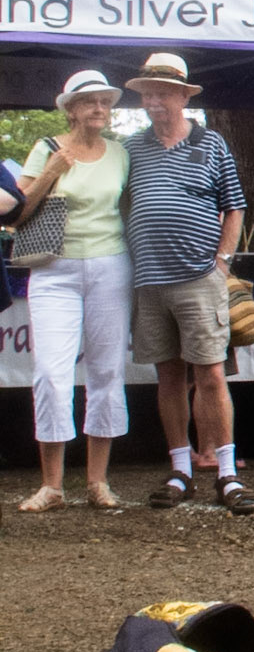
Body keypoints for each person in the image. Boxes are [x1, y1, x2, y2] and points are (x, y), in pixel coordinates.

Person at [122, 52, 254, 515]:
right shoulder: (133, 148)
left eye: (163, 93)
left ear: (183, 95)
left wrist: (222, 261)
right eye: (147, 94)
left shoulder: (213, 143)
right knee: (167, 377)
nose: (154, 101)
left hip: (200, 277)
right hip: (149, 280)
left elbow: (235, 206)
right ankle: (180, 468)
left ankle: (226, 471)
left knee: (212, 372)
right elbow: (122, 205)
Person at [13, 70, 132, 512]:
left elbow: (127, 208)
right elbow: (16, 215)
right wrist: (51, 171)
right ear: (70, 108)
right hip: (54, 269)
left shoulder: (121, 153)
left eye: (104, 102)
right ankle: (52, 486)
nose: (98, 109)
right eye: (88, 102)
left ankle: (98, 482)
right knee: (51, 372)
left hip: (110, 266)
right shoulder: (46, 149)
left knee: (106, 372)